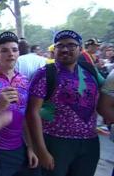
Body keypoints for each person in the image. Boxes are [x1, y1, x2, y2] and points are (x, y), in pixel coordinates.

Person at [26, 30, 103, 176]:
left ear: (80, 49)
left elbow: (105, 96)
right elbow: (32, 112)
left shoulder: (90, 71)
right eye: (60, 46)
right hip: (56, 143)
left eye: (71, 45)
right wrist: (41, 150)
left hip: (89, 144)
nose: (65, 49)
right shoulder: (45, 73)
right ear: (54, 50)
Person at [0, 31, 38, 176]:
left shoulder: (24, 81)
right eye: (4, 50)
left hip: (20, 149)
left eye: (14, 50)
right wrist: (0, 105)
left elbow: (23, 118)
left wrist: (30, 147)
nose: (10, 54)